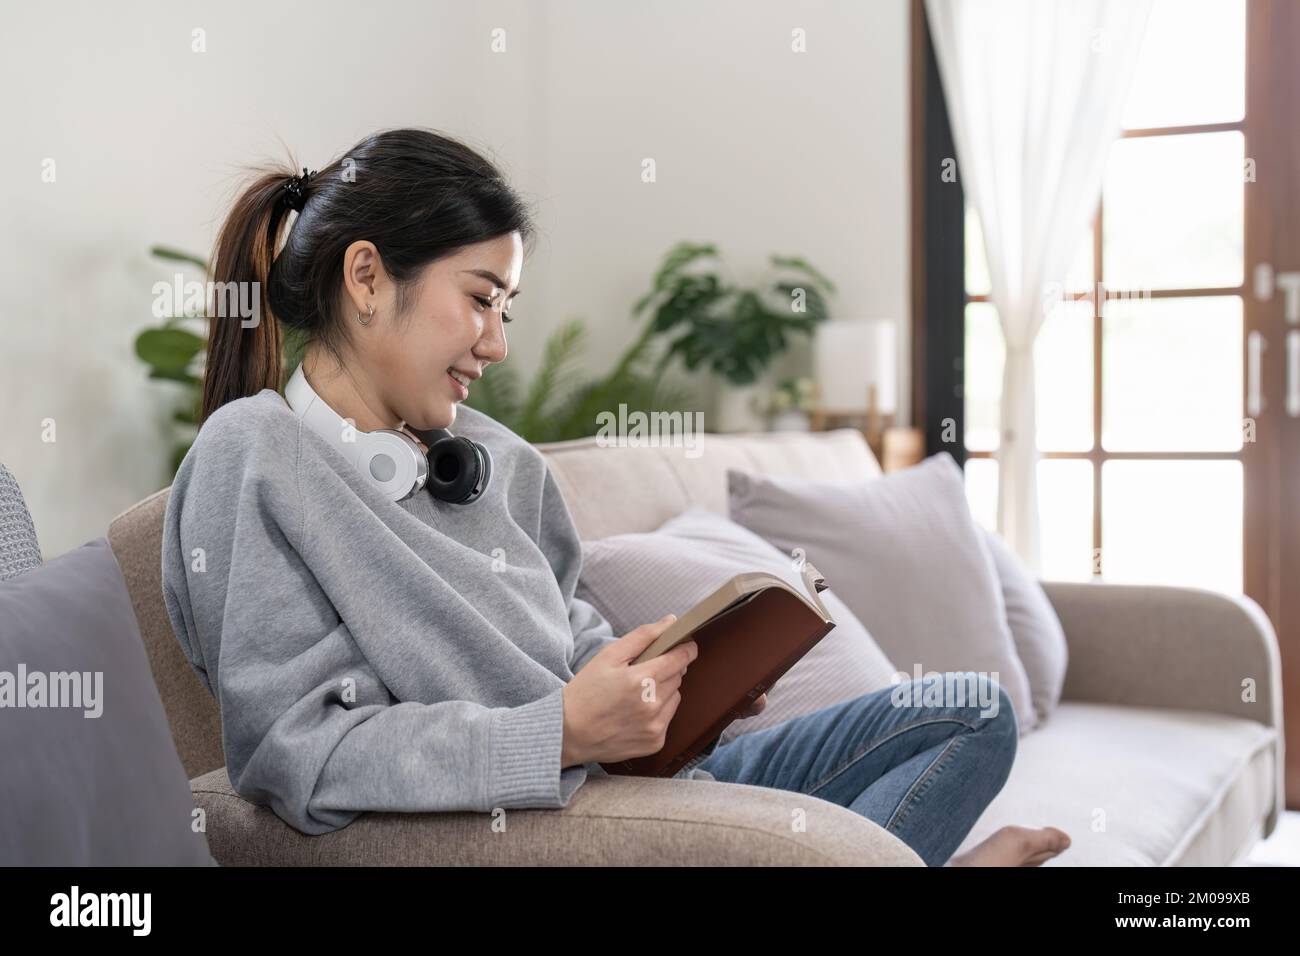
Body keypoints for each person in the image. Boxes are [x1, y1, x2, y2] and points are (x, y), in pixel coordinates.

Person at [161, 127, 1069, 866]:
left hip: (655, 779)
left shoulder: (496, 461)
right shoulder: (256, 457)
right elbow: (292, 752)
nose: (497, 343)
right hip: (577, 823)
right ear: (365, 278)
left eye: (506, 310)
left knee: (969, 711)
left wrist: (691, 690)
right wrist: (553, 734)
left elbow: (574, 635)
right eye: (480, 298)